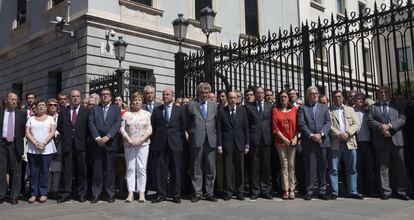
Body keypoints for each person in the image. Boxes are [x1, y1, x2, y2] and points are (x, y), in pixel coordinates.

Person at [367, 86, 409, 200]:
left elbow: (402, 119)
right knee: (382, 167)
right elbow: (370, 120)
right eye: (381, 92)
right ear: (377, 94)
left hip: (396, 140)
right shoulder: (372, 107)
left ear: (389, 93)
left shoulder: (397, 105)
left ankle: (402, 191)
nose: (383, 94)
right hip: (381, 141)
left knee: (400, 166)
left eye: (385, 92)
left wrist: (390, 126)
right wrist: (381, 127)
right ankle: (385, 191)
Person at [186, 82, 220, 202]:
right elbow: (187, 123)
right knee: (196, 167)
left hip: (211, 139)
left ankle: (209, 192)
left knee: (211, 167)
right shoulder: (191, 105)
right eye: (202, 92)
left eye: (206, 92)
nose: (204, 95)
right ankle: (197, 192)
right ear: (198, 93)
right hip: (196, 139)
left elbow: (217, 124)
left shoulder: (214, 105)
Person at [151, 89, 184, 204]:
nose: (165, 96)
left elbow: (182, 127)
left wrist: (178, 139)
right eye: (164, 95)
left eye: (167, 94)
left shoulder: (179, 110)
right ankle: (161, 194)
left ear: (172, 96)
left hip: (175, 144)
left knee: (175, 169)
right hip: (160, 144)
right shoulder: (157, 110)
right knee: (160, 170)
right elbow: (153, 127)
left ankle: (176, 195)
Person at [297, 86, 331, 200]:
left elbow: (328, 122)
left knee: (322, 168)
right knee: (310, 167)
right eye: (312, 93)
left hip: (322, 141)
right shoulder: (303, 108)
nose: (315, 95)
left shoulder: (324, 107)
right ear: (308, 96)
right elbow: (301, 124)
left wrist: (320, 134)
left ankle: (322, 191)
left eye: (316, 93)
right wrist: (312, 135)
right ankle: (310, 190)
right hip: (309, 142)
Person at [328, 90, 363, 200]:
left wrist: (348, 133)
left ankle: (352, 191)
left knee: (352, 168)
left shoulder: (350, 109)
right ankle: (334, 191)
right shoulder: (329, 111)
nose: (337, 98)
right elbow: (328, 124)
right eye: (335, 97)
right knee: (333, 169)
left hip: (350, 142)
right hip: (336, 142)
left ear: (343, 98)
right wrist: (339, 134)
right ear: (332, 99)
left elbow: (356, 123)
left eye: (339, 96)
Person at [88, 88, 122, 203]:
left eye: (107, 94)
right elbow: (91, 123)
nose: (105, 96)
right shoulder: (94, 109)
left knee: (110, 170)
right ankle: (96, 193)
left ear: (111, 97)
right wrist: (97, 138)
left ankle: (110, 193)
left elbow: (117, 123)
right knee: (97, 170)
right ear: (100, 97)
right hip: (97, 144)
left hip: (110, 143)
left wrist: (108, 136)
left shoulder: (116, 109)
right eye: (103, 94)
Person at [57, 90, 89, 203]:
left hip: (81, 145)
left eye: (77, 96)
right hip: (68, 145)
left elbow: (88, 129)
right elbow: (59, 127)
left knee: (82, 170)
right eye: (73, 96)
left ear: (80, 98)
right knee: (67, 170)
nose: (75, 98)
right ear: (70, 98)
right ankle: (66, 193)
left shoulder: (86, 111)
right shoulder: (63, 111)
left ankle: (81, 194)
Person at [119, 92, 152, 203]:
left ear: (142, 101)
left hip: (143, 144)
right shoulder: (126, 115)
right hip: (129, 144)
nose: (137, 102)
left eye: (139, 100)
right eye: (135, 100)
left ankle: (141, 193)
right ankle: (130, 193)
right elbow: (122, 129)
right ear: (131, 102)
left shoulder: (147, 114)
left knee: (142, 168)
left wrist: (140, 140)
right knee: (130, 168)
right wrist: (129, 140)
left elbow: (149, 130)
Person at [217, 91, 249, 201]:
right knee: (228, 169)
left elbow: (246, 129)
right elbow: (219, 130)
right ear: (227, 98)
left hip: (240, 144)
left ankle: (240, 192)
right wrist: (220, 145)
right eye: (230, 98)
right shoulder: (222, 112)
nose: (233, 100)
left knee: (240, 169)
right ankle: (228, 192)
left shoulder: (242, 111)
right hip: (227, 145)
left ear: (237, 99)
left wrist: (247, 145)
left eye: (234, 98)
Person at [25, 100, 57, 203]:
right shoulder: (30, 119)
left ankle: (43, 193)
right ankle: (33, 193)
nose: (41, 107)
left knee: (44, 171)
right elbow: (27, 132)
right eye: (39, 105)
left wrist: (43, 143)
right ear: (36, 107)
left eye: (43, 105)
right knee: (33, 171)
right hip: (32, 149)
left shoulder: (50, 118)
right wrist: (35, 143)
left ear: (46, 107)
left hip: (46, 149)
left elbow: (52, 132)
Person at [245, 86, 273, 200]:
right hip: (254, 140)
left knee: (266, 166)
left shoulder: (270, 106)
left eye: (262, 93)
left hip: (266, 139)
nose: (260, 95)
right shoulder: (248, 107)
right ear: (255, 94)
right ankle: (255, 190)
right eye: (258, 93)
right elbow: (246, 125)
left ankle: (265, 190)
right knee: (254, 167)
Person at [0, 93, 27, 205]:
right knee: (1, 170)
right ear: (6, 100)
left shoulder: (22, 114)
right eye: (12, 99)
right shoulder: (1, 113)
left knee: (16, 171)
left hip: (15, 144)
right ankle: (1, 194)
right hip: (2, 144)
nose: (14, 101)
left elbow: (24, 130)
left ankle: (14, 196)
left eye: (16, 99)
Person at [272, 90, 299, 200]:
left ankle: (292, 188)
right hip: (280, 142)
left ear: (289, 98)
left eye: (285, 97)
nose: (283, 98)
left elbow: (299, 126)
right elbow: (275, 127)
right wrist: (284, 138)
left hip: (292, 141)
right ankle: (286, 189)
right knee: (284, 165)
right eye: (281, 97)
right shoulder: (275, 110)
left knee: (291, 165)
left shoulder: (295, 110)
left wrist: (295, 138)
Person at [354, 93, 376, 197]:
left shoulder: (368, 111)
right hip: (356, 143)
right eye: (358, 99)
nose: (360, 101)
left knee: (369, 167)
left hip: (368, 142)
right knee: (357, 168)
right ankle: (360, 189)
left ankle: (370, 189)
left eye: (362, 99)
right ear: (354, 100)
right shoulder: (350, 111)